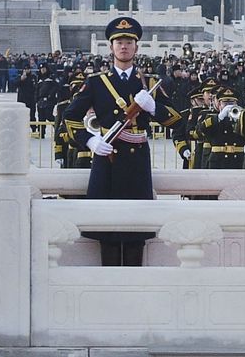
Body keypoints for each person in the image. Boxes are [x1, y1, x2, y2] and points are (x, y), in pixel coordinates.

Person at [68, 16, 175, 266]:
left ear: (137, 47)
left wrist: (154, 108)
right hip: (108, 160)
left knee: (137, 232)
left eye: (129, 41)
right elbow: (70, 117)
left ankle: (135, 292)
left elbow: (177, 121)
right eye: (118, 42)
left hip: (137, 163)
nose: (123, 46)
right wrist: (90, 141)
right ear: (111, 47)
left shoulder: (149, 84)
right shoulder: (96, 83)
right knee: (108, 232)